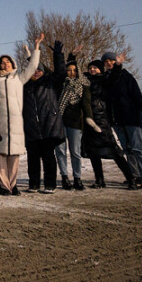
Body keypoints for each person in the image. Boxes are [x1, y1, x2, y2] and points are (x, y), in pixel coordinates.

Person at [0, 33, 43, 196]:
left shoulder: (18, 78)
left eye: (8, 62)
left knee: (13, 156)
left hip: (15, 124)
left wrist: (36, 48)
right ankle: (3, 185)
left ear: (12, 64)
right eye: (2, 62)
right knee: (0, 155)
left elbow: (32, 67)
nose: (5, 64)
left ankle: (12, 185)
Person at [102, 51, 142, 188]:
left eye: (112, 61)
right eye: (106, 61)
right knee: (128, 149)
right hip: (117, 120)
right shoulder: (106, 79)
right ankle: (135, 175)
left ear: (117, 62)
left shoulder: (126, 77)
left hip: (131, 118)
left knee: (138, 148)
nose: (109, 63)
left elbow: (137, 97)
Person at [81, 60, 136, 189]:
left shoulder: (105, 80)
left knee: (114, 151)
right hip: (88, 120)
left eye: (95, 67)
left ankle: (131, 178)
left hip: (102, 120)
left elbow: (114, 77)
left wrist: (117, 66)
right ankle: (99, 180)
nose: (92, 70)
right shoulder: (85, 81)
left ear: (101, 69)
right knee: (93, 152)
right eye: (90, 68)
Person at [22, 44, 65, 193]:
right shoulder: (24, 85)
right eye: (34, 70)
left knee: (48, 156)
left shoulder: (50, 83)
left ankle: (50, 184)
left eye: (39, 70)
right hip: (31, 126)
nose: (36, 72)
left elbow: (61, 72)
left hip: (49, 124)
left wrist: (58, 56)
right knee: (32, 158)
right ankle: (33, 184)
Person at [55, 48, 90, 190]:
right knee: (60, 151)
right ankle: (64, 177)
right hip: (60, 122)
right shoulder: (61, 85)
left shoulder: (83, 85)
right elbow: (52, 69)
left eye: (74, 70)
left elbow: (87, 103)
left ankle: (77, 178)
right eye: (69, 70)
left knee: (75, 152)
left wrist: (89, 119)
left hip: (76, 123)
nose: (71, 73)